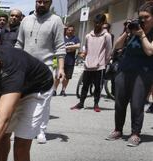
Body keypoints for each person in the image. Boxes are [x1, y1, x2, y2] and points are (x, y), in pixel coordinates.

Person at [15, 0, 65, 145]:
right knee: (21, 99)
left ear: (50, 3)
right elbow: (19, 44)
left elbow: (60, 47)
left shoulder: (56, 21)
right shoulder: (25, 20)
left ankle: (41, 130)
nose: (41, 4)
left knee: (44, 102)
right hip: (26, 69)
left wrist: (60, 69)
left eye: (45, 2)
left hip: (46, 69)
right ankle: (19, 129)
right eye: (39, 1)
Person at [106, 3, 153, 147]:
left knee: (137, 105)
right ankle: (118, 130)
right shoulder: (133, 30)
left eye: (146, 17)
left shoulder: (146, 33)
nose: (143, 20)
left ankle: (135, 133)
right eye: (140, 17)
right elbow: (117, 46)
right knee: (120, 103)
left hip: (143, 73)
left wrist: (142, 35)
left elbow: (150, 51)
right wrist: (127, 31)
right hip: (124, 70)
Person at [71, 14, 112, 112]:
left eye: (99, 23)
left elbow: (109, 51)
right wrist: (84, 54)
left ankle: (96, 104)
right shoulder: (88, 36)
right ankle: (81, 103)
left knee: (98, 86)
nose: (97, 25)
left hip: (99, 66)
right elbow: (86, 47)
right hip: (88, 65)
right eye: (95, 23)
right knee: (85, 85)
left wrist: (104, 63)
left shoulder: (107, 36)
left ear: (103, 23)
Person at [54, 25, 80, 96]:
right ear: (66, 30)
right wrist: (72, 47)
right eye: (69, 30)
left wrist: (67, 47)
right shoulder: (62, 38)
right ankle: (54, 90)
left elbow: (78, 46)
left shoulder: (75, 38)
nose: (70, 31)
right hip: (61, 60)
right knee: (58, 77)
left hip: (70, 61)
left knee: (67, 77)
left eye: (72, 30)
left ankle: (63, 90)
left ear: (74, 31)